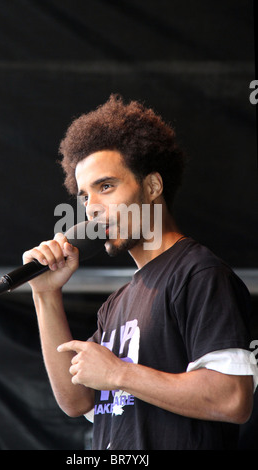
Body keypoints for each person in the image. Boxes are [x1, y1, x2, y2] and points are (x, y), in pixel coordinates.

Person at [23, 94, 257, 450]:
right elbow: (77, 401)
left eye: (106, 187)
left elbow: (232, 398)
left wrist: (119, 374)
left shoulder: (199, 273)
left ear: (152, 187)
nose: (93, 210)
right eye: (85, 197)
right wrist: (45, 294)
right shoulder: (117, 302)